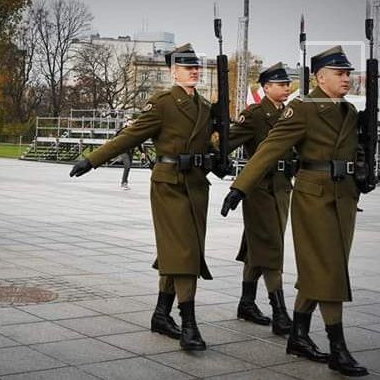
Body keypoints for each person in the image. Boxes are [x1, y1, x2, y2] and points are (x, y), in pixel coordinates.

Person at [221, 46, 369, 376]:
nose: (347, 78)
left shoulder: (347, 110)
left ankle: (298, 336)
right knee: (329, 270)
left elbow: (356, 152)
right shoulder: (302, 108)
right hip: (314, 198)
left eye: (348, 73)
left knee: (326, 268)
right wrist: (239, 187)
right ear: (320, 77)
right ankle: (337, 348)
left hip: (344, 198)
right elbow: (269, 149)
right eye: (340, 73)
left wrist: (364, 172)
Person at [70, 43, 214, 351]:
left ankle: (161, 315)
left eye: (196, 66)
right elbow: (130, 136)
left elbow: (210, 145)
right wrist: (92, 159)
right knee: (186, 254)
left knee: (178, 252)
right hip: (170, 186)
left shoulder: (204, 106)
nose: (194, 71)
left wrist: (218, 158)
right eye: (188, 67)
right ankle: (189, 324)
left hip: (197, 186)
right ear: (173, 71)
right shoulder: (162, 103)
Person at [228, 63, 294, 335]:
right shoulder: (255, 114)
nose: (286, 88)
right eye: (281, 84)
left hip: (282, 187)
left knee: (258, 245)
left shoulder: (290, 113)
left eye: (287, 84)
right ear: (266, 88)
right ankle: (280, 312)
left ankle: (246, 302)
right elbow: (228, 141)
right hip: (259, 189)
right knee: (271, 247)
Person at [116, 118, 146, 190]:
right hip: (123, 151)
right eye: (129, 123)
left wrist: (142, 152)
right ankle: (124, 183)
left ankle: (125, 181)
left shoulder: (135, 132)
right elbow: (116, 137)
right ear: (126, 123)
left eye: (132, 124)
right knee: (127, 165)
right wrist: (123, 128)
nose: (130, 125)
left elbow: (138, 143)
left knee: (128, 167)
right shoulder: (123, 131)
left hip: (131, 151)